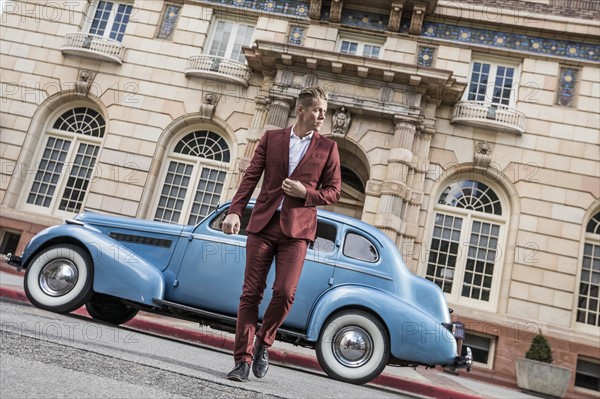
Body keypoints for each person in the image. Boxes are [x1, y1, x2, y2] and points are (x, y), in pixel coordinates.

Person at [221, 86, 342, 382]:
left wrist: (306, 193)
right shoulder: (272, 138)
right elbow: (251, 175)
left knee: (285, 292)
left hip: (297, 230)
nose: (322, 116)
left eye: (324, 112)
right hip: (262, 225)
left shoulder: (328, 148)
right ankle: (242, 360)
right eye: (317, 110)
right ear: (301, 110)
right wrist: (235, 210)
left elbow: (334, 191)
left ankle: (264, 341)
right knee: (250, 293)